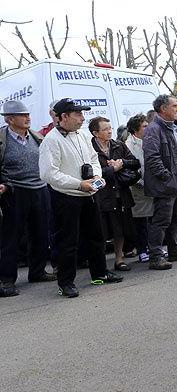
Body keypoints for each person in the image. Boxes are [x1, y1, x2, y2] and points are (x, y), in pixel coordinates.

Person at [38, 98, 123, 298]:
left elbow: (93, 158)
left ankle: (99, 273)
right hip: (66, 197)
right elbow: (48, 174)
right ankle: (66, 283)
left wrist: (96, 176)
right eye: (78, 114)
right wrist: (79, 184)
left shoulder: (83, 135)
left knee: (96, 236)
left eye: (82, 114)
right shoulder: (51, 141)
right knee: (68, 241)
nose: (82, 118)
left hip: (89, 194)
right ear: (63, 117)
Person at [0, 100, 57, 297]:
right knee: (11, 237)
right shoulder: (2, 138)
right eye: (22, 115)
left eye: (28, 114)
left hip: (40, 189)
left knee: (40, 233)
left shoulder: (36, 137)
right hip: (15, 191)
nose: (28, 118)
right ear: (10, 119)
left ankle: (38, 271)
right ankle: (6, 280)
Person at [142, 95, 177, 270]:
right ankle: (156, 256)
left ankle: (175, 249)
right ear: (163, 109)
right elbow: (152, 157)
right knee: (161, 220)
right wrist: (167, 177)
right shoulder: (153, 129)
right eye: (174, 106)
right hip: (166, 185)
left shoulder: (174, 128)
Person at [89, 116, 140, 272]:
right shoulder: (89, 149)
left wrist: (122, 163)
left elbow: (135, 162)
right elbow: (90, 172)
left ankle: (119, 260)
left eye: (110, 128)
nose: (110, 131)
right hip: (101, 196)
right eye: (105, 129)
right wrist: (113, 169)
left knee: (120, 229)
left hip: (120, 194)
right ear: (95, 133)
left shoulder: (118, 145)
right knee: (101, 231)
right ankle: (100, 265)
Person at [125, 114, 154, 263]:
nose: (148, 128)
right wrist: (141, 183)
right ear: (136, 129)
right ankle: (142, 250)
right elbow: (133, 168)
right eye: (144, 126)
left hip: (152, 186)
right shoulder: (129, 145)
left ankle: (153, 246)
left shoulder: (148, 140)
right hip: (138, 187)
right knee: (141, 221)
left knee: (152, 220)